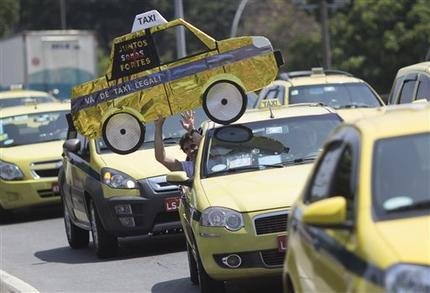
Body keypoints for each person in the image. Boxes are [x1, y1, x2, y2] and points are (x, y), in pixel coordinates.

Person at [154, 110, 202, 177]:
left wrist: (191, 129)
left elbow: (203, 143)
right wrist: (158, 127)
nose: (191, 151)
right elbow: (161, 158)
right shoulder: (188, 167)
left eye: (193, 146)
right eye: (186, 149)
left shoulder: (217, 156)